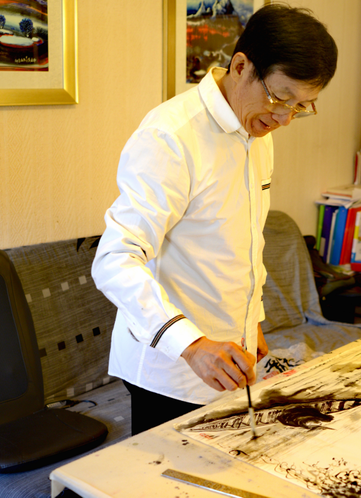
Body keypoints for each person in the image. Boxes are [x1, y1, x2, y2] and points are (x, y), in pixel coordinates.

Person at [92, 3, 338, 436]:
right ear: (241, 67)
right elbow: (114, 260)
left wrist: (252, 322)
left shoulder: (257, 131)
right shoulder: (171, 136)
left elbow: (244, 241)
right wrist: (192, 346)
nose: (284, 118)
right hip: (170, 367)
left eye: (302, 106)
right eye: (281, 98)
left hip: (231, 357)